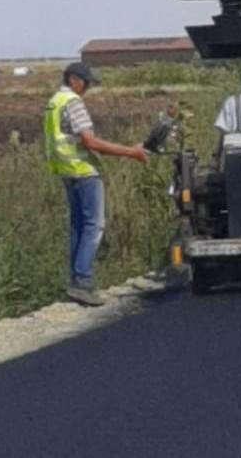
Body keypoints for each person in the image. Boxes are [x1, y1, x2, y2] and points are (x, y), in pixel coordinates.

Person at [44, 63, 149, 307]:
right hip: (83, 171)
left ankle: (76, 281)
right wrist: (131, 152)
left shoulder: (54, 101)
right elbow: (91, 142)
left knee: (79, 227)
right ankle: (83, 282)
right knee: (94, 226)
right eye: (85, 81)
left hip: (66, 171)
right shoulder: (72, 102)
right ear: (73, 79)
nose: (88, 87)